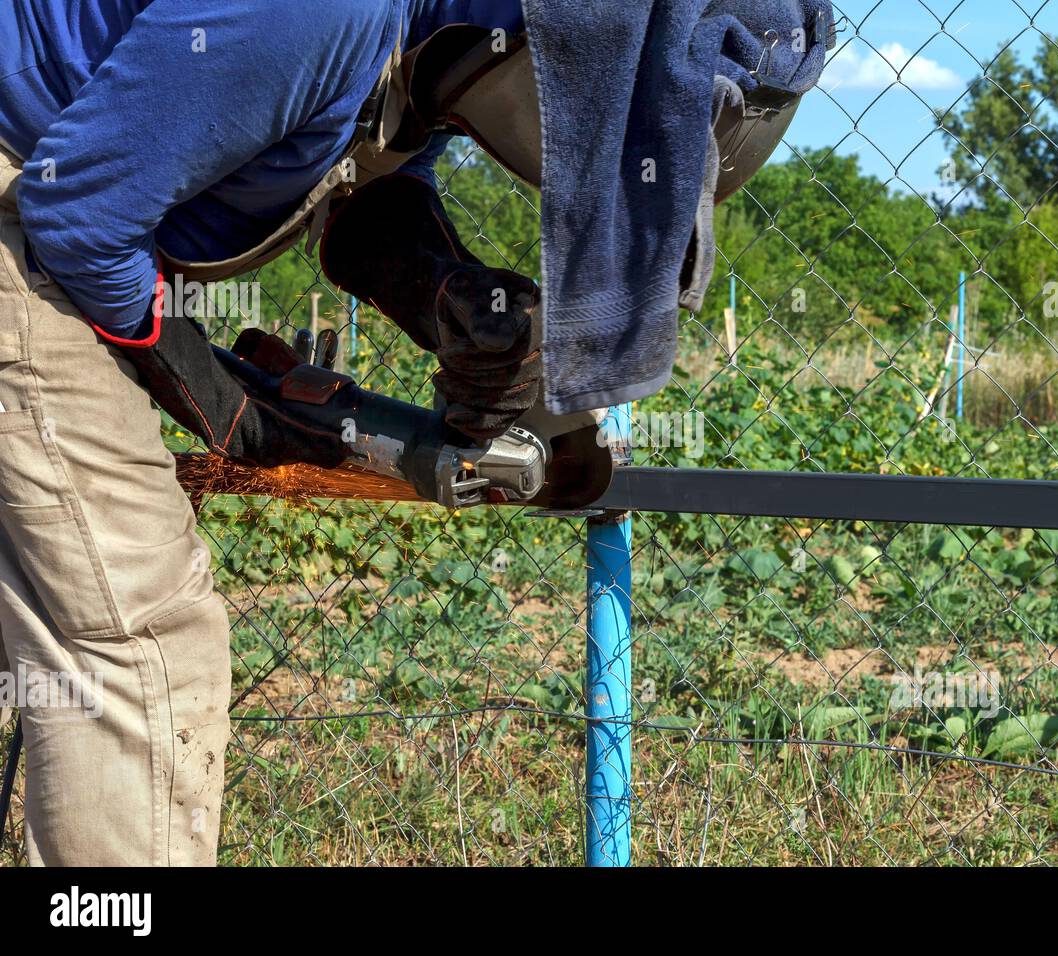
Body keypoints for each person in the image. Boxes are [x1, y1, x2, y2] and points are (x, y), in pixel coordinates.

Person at [0, 0, 828, 865]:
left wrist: (453, 297)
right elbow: (77, 218)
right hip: (41, 215)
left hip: (68, 207)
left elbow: (368, 187)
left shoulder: (432, 31)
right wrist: (214, 390)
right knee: (140, 638)